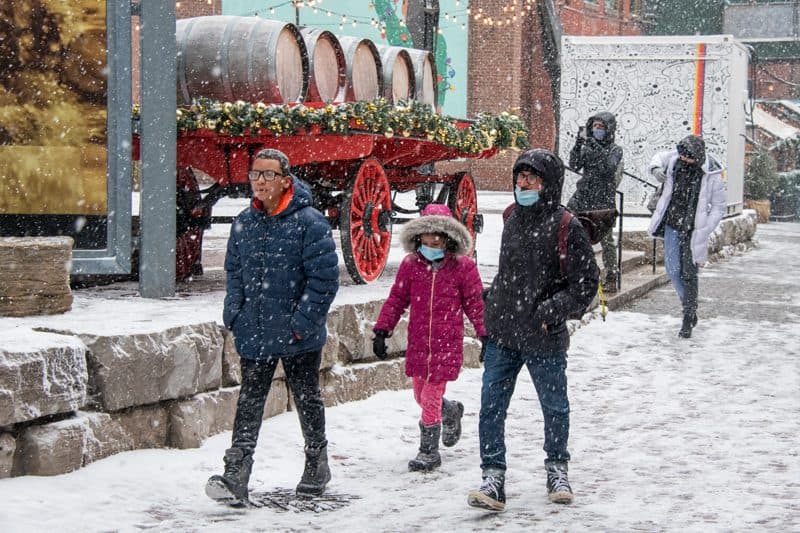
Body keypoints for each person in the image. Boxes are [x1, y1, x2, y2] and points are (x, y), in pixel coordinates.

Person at [467, 149, 599, 512]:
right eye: (520, 177)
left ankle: (557, 467)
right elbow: (509, 274)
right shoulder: (510, 216)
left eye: (531, 178)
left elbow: (586, 282)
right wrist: (490, 311)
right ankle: (493, 477)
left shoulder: (566, 226)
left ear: (549, 183)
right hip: (504, 332)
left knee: (555, 407)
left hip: (544, 334)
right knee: (491, 408)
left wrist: (551, 310)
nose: (522, 184)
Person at [206, 149, 339, 505]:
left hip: (298, 334)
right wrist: (234, 312)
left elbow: (324, 280)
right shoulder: (244, 223)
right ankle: (236, 472)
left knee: (307, 398)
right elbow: (233, 271)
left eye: (268, 175)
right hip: (255, 329)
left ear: (286, 180)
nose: (260, 182)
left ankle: (316, 462)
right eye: (255, 175)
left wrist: (300, 324)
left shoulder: (310, 222)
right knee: (249, 401)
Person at [372, 203, 486, 472]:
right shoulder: (411, 265)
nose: (434, 239)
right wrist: (382, 329)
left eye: (439, 234)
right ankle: (451, 411)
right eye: (428, 234)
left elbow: (476, 304)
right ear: (418, 235)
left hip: (447, 343)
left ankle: (428, 450)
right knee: (420, 395)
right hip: (420, 342)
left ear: (449, 237)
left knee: (432, 395)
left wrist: (486, 335)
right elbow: (397, 298)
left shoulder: (463, 267)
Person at [647, 135, 726, 338]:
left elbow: (719, 206)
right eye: (681, 155)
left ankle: (688, 315)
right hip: (673, 225)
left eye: (687, 157)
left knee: (689, 273)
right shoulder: (675, 160)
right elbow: (659, 157)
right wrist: (656, 170)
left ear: (697, 156)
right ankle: (689, 305)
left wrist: (706, 227)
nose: (683, 159)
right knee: (673, 270)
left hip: (693, 230)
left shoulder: (711, 173)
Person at [567, 111, 624, 292]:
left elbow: (608, 167)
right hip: (584, 194)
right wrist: (578, 145)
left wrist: (593, 146)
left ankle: (612, 275)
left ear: (609, 129)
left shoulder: (615, 150)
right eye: (594, 127)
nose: (597, 130)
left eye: (601, 127)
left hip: (603, 199)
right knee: (567, 225)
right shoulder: (587, 146)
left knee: (606, 239)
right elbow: (575, 165)